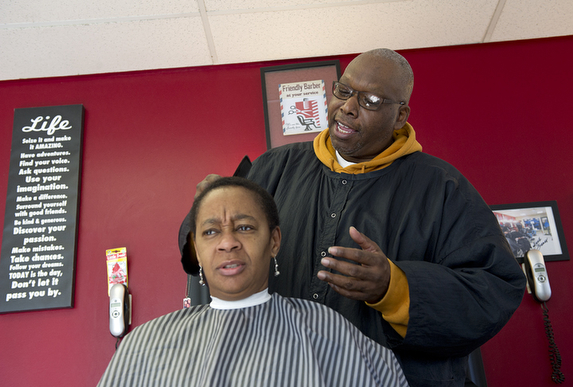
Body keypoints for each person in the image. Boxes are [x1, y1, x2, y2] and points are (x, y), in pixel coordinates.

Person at [179, 48, 526, 386]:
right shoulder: (273, 168)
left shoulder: (443, 189)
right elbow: (203, 259)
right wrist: (203, 222)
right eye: (343, 91)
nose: (346, 108)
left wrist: (396, 287)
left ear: (400, 116)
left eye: (370, 101)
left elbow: (495, 287)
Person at [99, 177, 409, 387]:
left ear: (274, 241)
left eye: (245, 227)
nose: (228, 243)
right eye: (210, 232)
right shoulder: (144, 345)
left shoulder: (330, 333)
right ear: (196, 249)